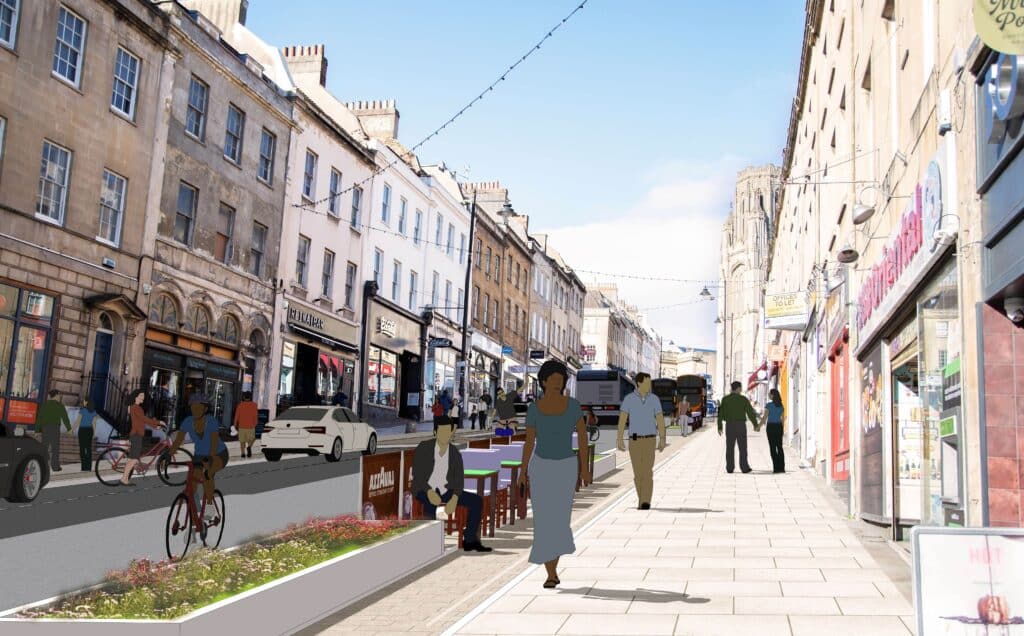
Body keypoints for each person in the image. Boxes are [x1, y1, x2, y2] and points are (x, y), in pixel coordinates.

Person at [518, 360, 590, 589]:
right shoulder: (534, 409)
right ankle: (551, 573)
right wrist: (522, 471)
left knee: (560, 519)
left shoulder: (572, 406)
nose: (558, 382)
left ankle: (553, 568)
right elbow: (529, 442)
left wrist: (585, 468)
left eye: (561, 379)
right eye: (554, 378)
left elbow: (583, 438)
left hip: (565, 467)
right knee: (543, 519)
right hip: (540, 467)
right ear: (544, 380)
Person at [410, 415, 491, 552]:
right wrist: (429, 491)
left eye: (448, 432)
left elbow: (459, 479)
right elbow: (418, 475)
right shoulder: (424, 448)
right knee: (430, 503)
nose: (445, 435)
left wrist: (454, 498)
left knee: (476, 501)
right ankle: (428, 544)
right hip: (425, 489)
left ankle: (470, 539)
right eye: (442, 432)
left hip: (446, 490)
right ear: (435, 433)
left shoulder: (454, 453)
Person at [168, 394, 229, 521]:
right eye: (193, 407)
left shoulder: (211, 422)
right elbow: (178, 441)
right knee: (192, 485)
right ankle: (196, 517)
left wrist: (209, 459)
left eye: (198, 407)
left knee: (208, 474)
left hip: (218, 453)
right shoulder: (188, 422)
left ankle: (210, 506)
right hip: (199, 455)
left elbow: (213, 443)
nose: (195, 410)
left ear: (205, 409)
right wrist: (167, 455)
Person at [616, 372, 666, 509]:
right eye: (647, 383)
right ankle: (641, 497)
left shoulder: (654, 399)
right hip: (635, 440)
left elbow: (660, 419)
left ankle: (645, 501)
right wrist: (619, 438)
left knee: (648, 472)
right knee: (638, 473)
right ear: (639, 383)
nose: (649, 385)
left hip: (650, 440)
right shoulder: (629, 399)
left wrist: (662, 438)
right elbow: (622, 420)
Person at [122, 389, 163, 486]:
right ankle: (124, 479)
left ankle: (126, 477)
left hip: (136, 434)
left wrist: (155, 427)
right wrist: (158, 422)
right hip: (136, 435)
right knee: (134, 458)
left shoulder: (134, 407)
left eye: (143, 396)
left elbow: (141, 421)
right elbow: (144, 419)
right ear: (136, 397)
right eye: (141, 395)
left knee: (133, 458)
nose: (143, 397)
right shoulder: (136, 408)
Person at [719, 381, 760, 474]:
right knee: (742, 447)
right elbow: (750, 413)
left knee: (729, 447)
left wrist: (720, 426)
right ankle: (744, 467)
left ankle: (730, 467)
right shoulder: (743, 399)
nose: (741, 390)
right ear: (738, 389)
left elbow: (720, 414)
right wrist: (755, 425)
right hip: (741, 425)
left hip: (729, 425)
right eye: (740, 388)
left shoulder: (725, 399)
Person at [36, 390, 71, 471]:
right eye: (59, 396)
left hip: (45, 428)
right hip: (55, 428)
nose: (59, 397)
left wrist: (37, 430)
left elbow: (39, 418)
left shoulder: (44, 405)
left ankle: (42, 466)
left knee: (44, 447)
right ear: (56, 395)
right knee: (55, 448)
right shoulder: (60, 406)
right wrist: (69, 429)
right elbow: (65, 418)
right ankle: (55, 466)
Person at [760, 388, 786, 473]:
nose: (768, 395)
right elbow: (782, 419)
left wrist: (759, 426)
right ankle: (781, 468)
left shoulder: (769, 405)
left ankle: (776, 468)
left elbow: (764, 417)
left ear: (773, 395)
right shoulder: (781, 406)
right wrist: (782, 428)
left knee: (772, 447)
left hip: (771, 427)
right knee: (780, 447)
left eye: (769, 394)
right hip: (779, 427)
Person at [233, 391, 258, 458]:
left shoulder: (240, 405)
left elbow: (236, 416)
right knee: (252, 439)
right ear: (250, 397)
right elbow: (255, 415)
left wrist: (235, 425)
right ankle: (249, 447)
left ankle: (243, 453)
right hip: (251, 426)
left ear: (244, 397)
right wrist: (255, 423)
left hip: (241, 426)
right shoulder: (254, 405)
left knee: (242, 441)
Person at [76, 398, 98, 472]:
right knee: (88, 449)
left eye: (84, 401)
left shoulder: (82, 410)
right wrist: (94, 433)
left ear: (87, 402)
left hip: (82, 430)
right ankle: (89, 467)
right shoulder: (94, 411)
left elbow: (78, 421)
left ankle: (84, 467)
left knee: (82, 449)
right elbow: (94, 423)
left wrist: (72, 429)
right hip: (90, 430)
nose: (83, 402)